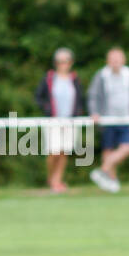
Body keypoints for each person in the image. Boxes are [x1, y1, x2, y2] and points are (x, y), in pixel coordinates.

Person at [87, 47, 129, 193]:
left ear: (123, 60)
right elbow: (93, 95)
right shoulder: (101, 75)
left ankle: (102, 170)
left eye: (118, 59)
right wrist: (94, 112)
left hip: (127, 119)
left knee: (128, 148)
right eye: (112, 60)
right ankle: (110, 183)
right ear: (108, 61)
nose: (115, 62)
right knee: (108, 150)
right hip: (108, 119)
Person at [32, 47, 85, 194]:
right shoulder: (48, 79)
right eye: (60, 62)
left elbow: (80, 99)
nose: (63, 64)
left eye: (66, 61)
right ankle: (51, 179)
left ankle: (57, 181)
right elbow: (38, 98)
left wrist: (77, 114)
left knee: (64, 152)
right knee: (54, 152)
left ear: (71, 62)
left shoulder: (74, 80)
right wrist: (48, 109)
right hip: (53, 121)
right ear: (55, 63)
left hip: (70, 122)